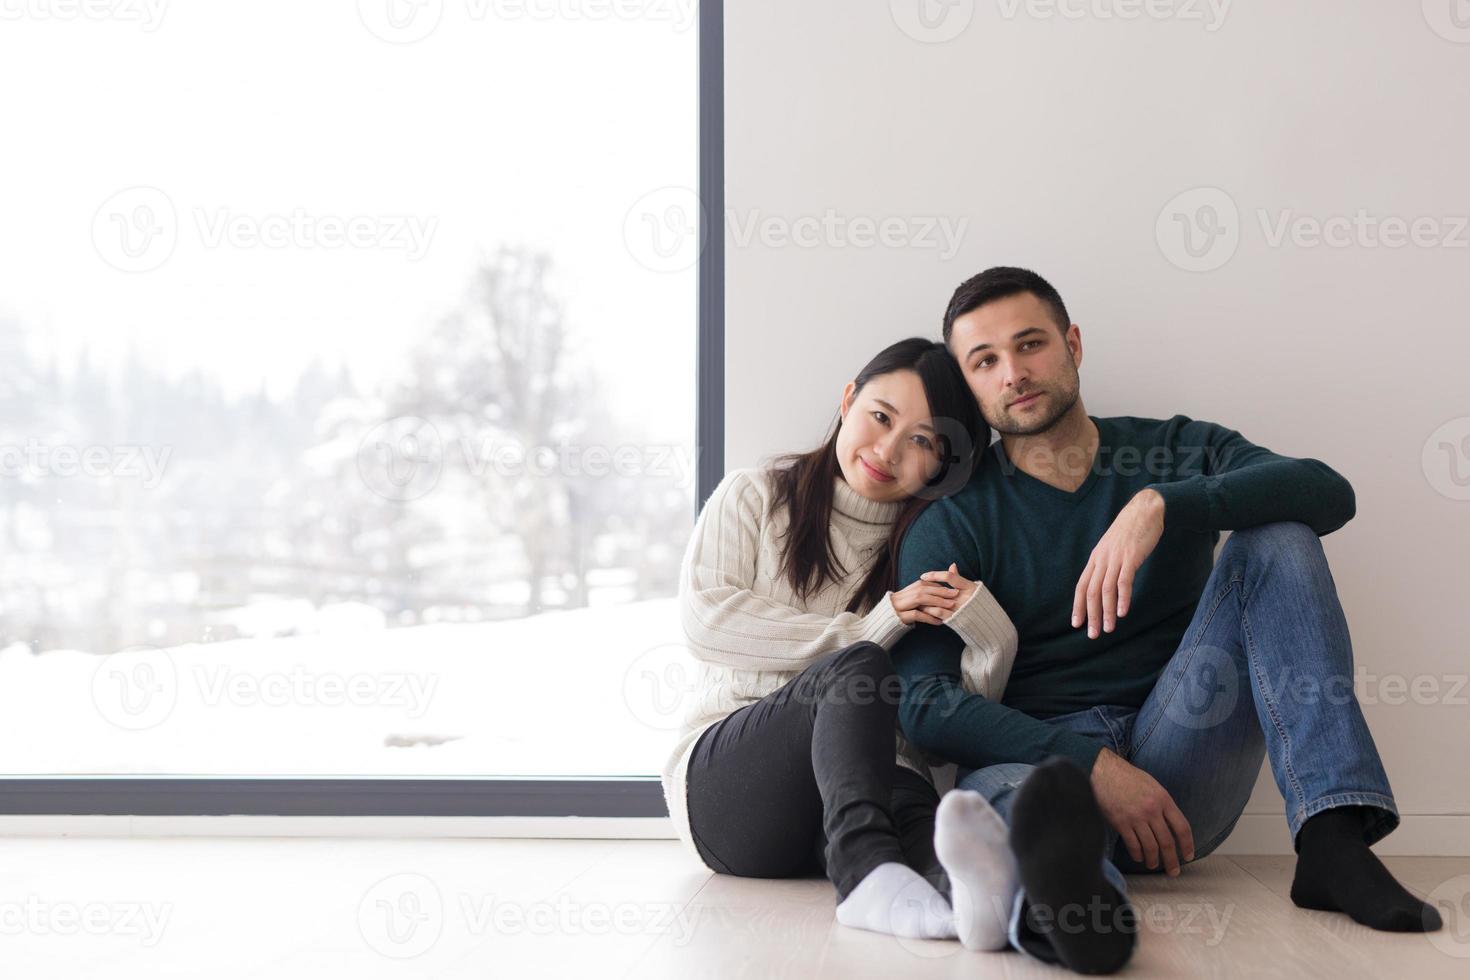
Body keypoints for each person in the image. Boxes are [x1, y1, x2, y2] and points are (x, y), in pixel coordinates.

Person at [891, 266, 1443, 974]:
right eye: (985, 361)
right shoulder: (953, 518)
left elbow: (1328, 492)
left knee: (1279, 536)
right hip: (1039, 767)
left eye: (1030, 345)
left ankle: (1334, 841)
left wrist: (1162, 504)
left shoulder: (1173, 448)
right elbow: (925, 706)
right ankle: (1082, 913)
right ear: (968, 384)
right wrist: (1093, 767)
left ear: (1073, 344)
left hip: (1182, 754)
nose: (1014, 374)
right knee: (1025, 816)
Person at [659, 337, 1021, 947]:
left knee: (920, 806)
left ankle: (981, 905)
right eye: (881, 417)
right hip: (732, 794)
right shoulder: (754, 496)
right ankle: (866, 880)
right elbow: (706, 621)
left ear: (940, 464)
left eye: (922, 442)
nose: (887, 450)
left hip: (863, 797)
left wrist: (990, 632)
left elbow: (936, 739)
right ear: (849, 399)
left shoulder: (925, 551)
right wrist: (871, 629)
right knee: (857, 668)